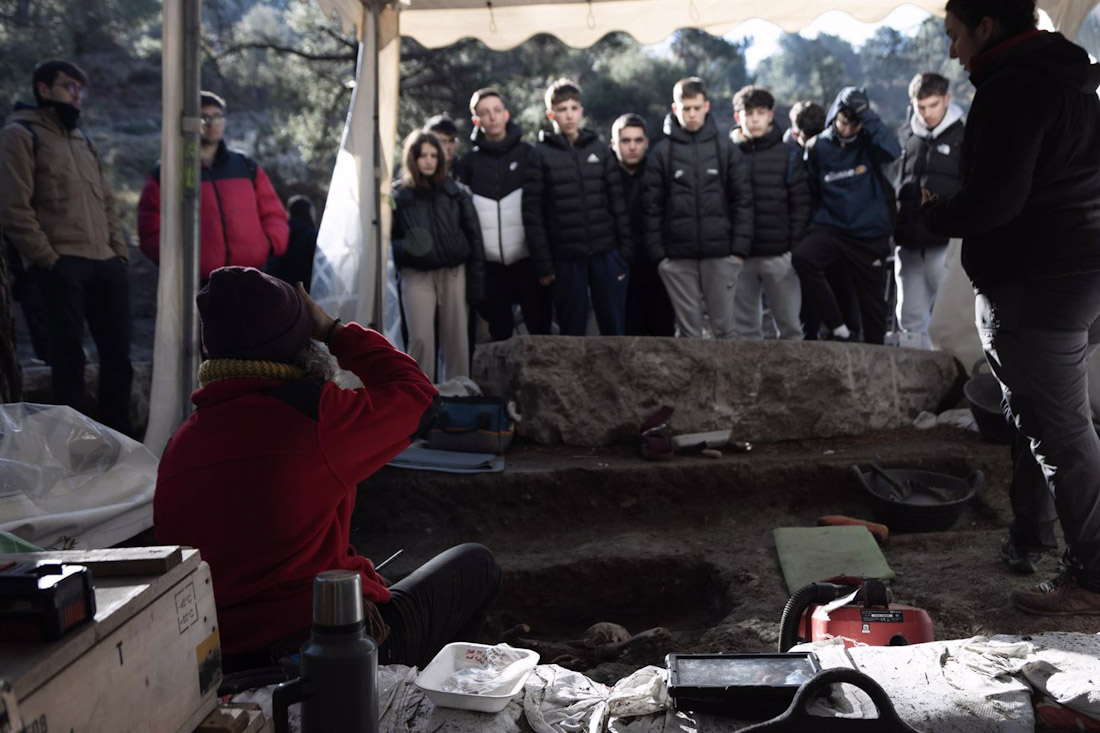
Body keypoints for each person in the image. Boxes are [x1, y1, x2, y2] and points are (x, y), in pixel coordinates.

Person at [154, 266, 501, 668]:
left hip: (217, 659)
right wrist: (335, 330)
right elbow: (419, 396)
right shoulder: (314, 417)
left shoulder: (180, 443)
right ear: (299, 345)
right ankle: (411, 698)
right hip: (326, 654)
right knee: (476, 565)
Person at [922, 0, 1100, 615]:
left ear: (987, 28)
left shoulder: (1013, 88)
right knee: (1058, 428)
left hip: (1037, 278)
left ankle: (1094, 579)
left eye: (955, 36)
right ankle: (1060, 549)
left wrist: (931, 210)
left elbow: (995, 203)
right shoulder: (1071, 78)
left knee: (1063, 433)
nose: (952, 52)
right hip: (1073, 268)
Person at [0, 59, 132, 434]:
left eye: (80, 90)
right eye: (68, 87)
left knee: (117, 357)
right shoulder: (20, 135)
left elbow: (107, 203)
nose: (77, 96)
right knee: (69, 358)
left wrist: (119, 253)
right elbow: (13, 208)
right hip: (61, 264)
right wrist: (49, 259)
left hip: (106, 262)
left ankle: (119, 439)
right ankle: (72, 447)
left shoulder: (83, 140)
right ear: (43, 89)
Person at [643, 77, 754, 339]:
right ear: (675, 109)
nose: (691, 114)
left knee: (726, 330)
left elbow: (743, 201)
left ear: (706, 106)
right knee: (688, 334)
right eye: (685, 108)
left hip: (721, 255)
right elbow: (650, 208)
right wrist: (660, 258)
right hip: (677, 259)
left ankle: (728, 380)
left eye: (696, 107)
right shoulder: (662, 153)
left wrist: (738, 252)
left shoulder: (725, 149)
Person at [137, 91, 289, 282]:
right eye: (204, 117)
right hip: (196, 283)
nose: (211, 124)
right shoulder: (168, 171)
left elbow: (274, 212)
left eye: (217, 117)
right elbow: (150, 229)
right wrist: (177, 259)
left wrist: (269, 245)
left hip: (252, 276)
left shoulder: (245, 165)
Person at [524, 78, 633, 336]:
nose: (569, 114)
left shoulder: (599, 149)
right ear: (552, 115)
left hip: (606, 254)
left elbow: (616, 202)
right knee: (572, 331)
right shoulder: (539, 155)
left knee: (614, 327)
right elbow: (532, 214)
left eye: (574, 108)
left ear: (581, 111)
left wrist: (624, 252)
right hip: (565, 258)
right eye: (563, 109)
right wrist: (544, 264)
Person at [793, 86, 900, 345]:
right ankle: (837, 326)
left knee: (873, 306)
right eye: (843, 122)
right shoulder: (818, 146)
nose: (847, 129)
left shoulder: (870, 143)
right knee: (803, 258)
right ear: (834, 117)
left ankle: (876, 355)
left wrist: (867, 116)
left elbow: (894, 151)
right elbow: (812, 187)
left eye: (854, 124)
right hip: (832, 228)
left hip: (868, 233)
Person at [454, 88, 551, 340]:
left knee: (540, 330)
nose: (492, 117)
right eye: (484, 113)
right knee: (499, 335)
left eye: (497, 110)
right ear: (477, 121)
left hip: (527, 260)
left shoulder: (530, 154)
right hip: (489, 266)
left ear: (506, 114)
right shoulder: (468, 163)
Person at [392, 130, 485, 381]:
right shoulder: (398, 195)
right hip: (415, 274)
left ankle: (459, 392)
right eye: (422, 155)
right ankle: (419, 397)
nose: (429, 160)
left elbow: (475, 238)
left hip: (454, 272)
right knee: (420, 338)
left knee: (456, 338)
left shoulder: (456, 192)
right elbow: (388, 242)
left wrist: (476, 286)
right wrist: (407, 248)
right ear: (413, 158)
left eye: (434, 155)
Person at [730, 85, 809, 340]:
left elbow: (801, 203)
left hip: (780, 256)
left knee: (790, 329)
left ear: (770, 116)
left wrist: (791, 249)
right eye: (748, 113)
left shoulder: (788, 154)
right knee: (745, 334)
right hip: (739, 258)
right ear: (737, 117)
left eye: (760, 112)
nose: (754, 119)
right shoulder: (728, 155)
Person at [894, 72, 964, 350]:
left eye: (933, 105)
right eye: (921, 107)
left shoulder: (965, 136)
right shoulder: (908, 136)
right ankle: (912, 384)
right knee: (908, 321)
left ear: (947, 99)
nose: (927, 113)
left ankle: (954, 386)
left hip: (947, 245)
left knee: (949, 320)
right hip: (908, 245)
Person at [611, 113, 674, 337]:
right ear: (614, 144)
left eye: (638, 140)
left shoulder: (658, 173)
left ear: (646, 143)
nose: (632, 147)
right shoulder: (605, 177)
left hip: (656, 264)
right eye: (626, 141)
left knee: (662, 330)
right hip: (619, 265)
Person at [270, 195, 318, 292]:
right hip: (304, 292)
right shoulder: (312, 236)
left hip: (279, 289)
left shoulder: (281, 232)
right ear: (308, 211)